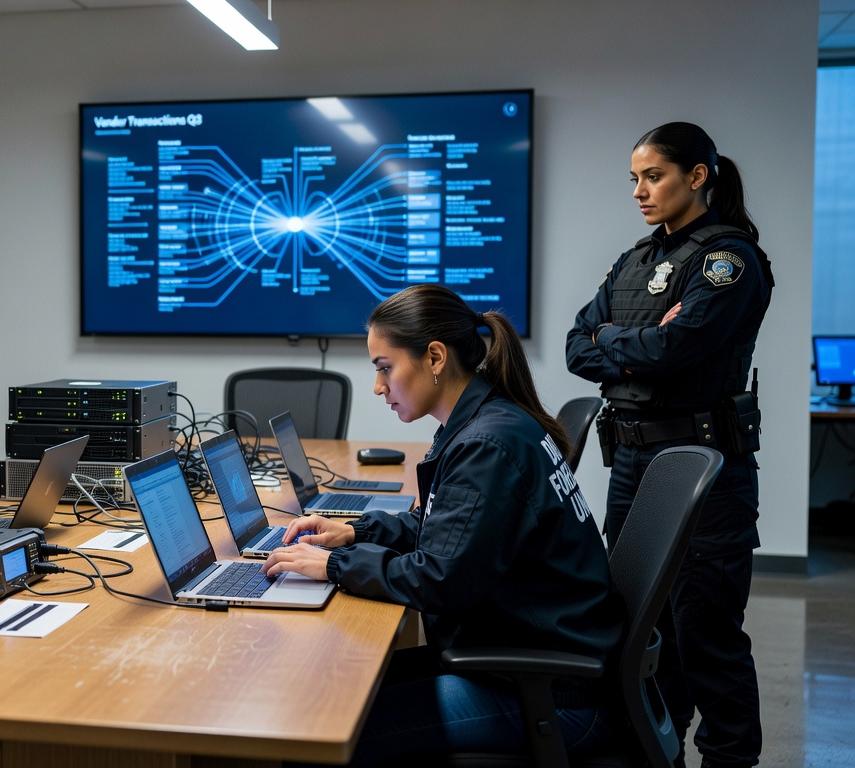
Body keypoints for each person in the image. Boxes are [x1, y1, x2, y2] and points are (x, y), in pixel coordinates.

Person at [265, 284, 625, 762]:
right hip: (532, 660)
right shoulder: (485, 421)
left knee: (320, 730)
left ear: (435, 357)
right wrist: (355, 532)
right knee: (327, 689)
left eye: (384, 368)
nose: (378, 387)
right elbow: (443, 528)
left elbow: (439, 579)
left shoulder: (486, 446)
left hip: (549, 695)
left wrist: (334, 565)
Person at [566, 122, 772, 768]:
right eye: (634, 178)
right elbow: (577, 345)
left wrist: (615, 345)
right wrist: (626, 347)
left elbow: (678, 349)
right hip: (630, 461)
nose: (639, 190)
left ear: (698, 176)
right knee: (638, 630)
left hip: (702, 467)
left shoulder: (727, 260)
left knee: (705, 634)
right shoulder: (636, 261)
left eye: (653, 176)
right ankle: (658, 754)